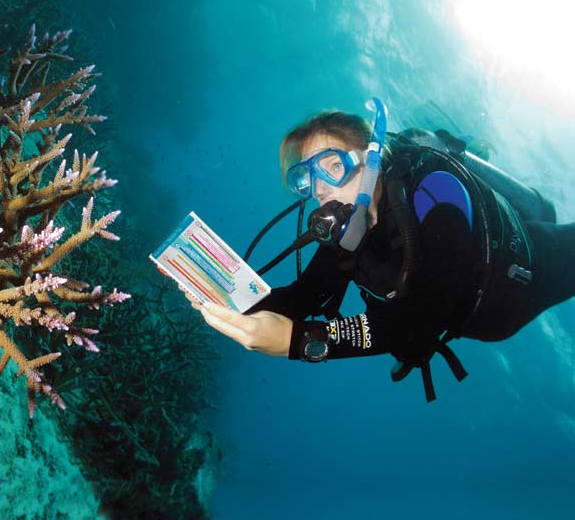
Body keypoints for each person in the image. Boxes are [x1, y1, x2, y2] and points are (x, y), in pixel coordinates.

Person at [184, 98, 575, 400]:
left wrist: (301, 341)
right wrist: (227, 297)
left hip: (521, 278)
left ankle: (520, 192)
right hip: (478, 321)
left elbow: (421, 317)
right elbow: (305, 296)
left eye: (332, 167)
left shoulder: (436, 191)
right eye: (305, 178)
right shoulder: (348, 230)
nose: (319, 189)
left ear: (370, 161)